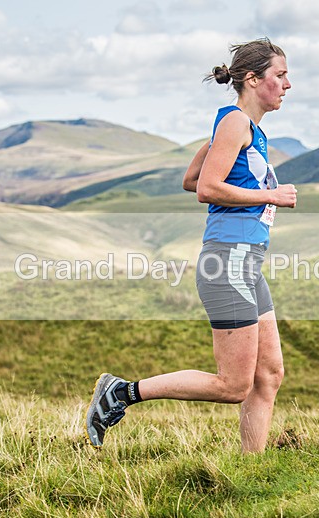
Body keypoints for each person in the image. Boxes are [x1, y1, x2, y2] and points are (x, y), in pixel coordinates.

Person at [85, 38, 296, 454]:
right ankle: (120, 393)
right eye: (280, 75)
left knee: (268, 375)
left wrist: (219, 146)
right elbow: (206, 188)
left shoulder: (242, 128)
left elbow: (190, 178)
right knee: (233, 385)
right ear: (253, 79)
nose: (287, 85)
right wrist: (270, 195)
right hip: (229, 259)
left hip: (246, 262)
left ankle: (251, 470)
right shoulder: (235, 123)